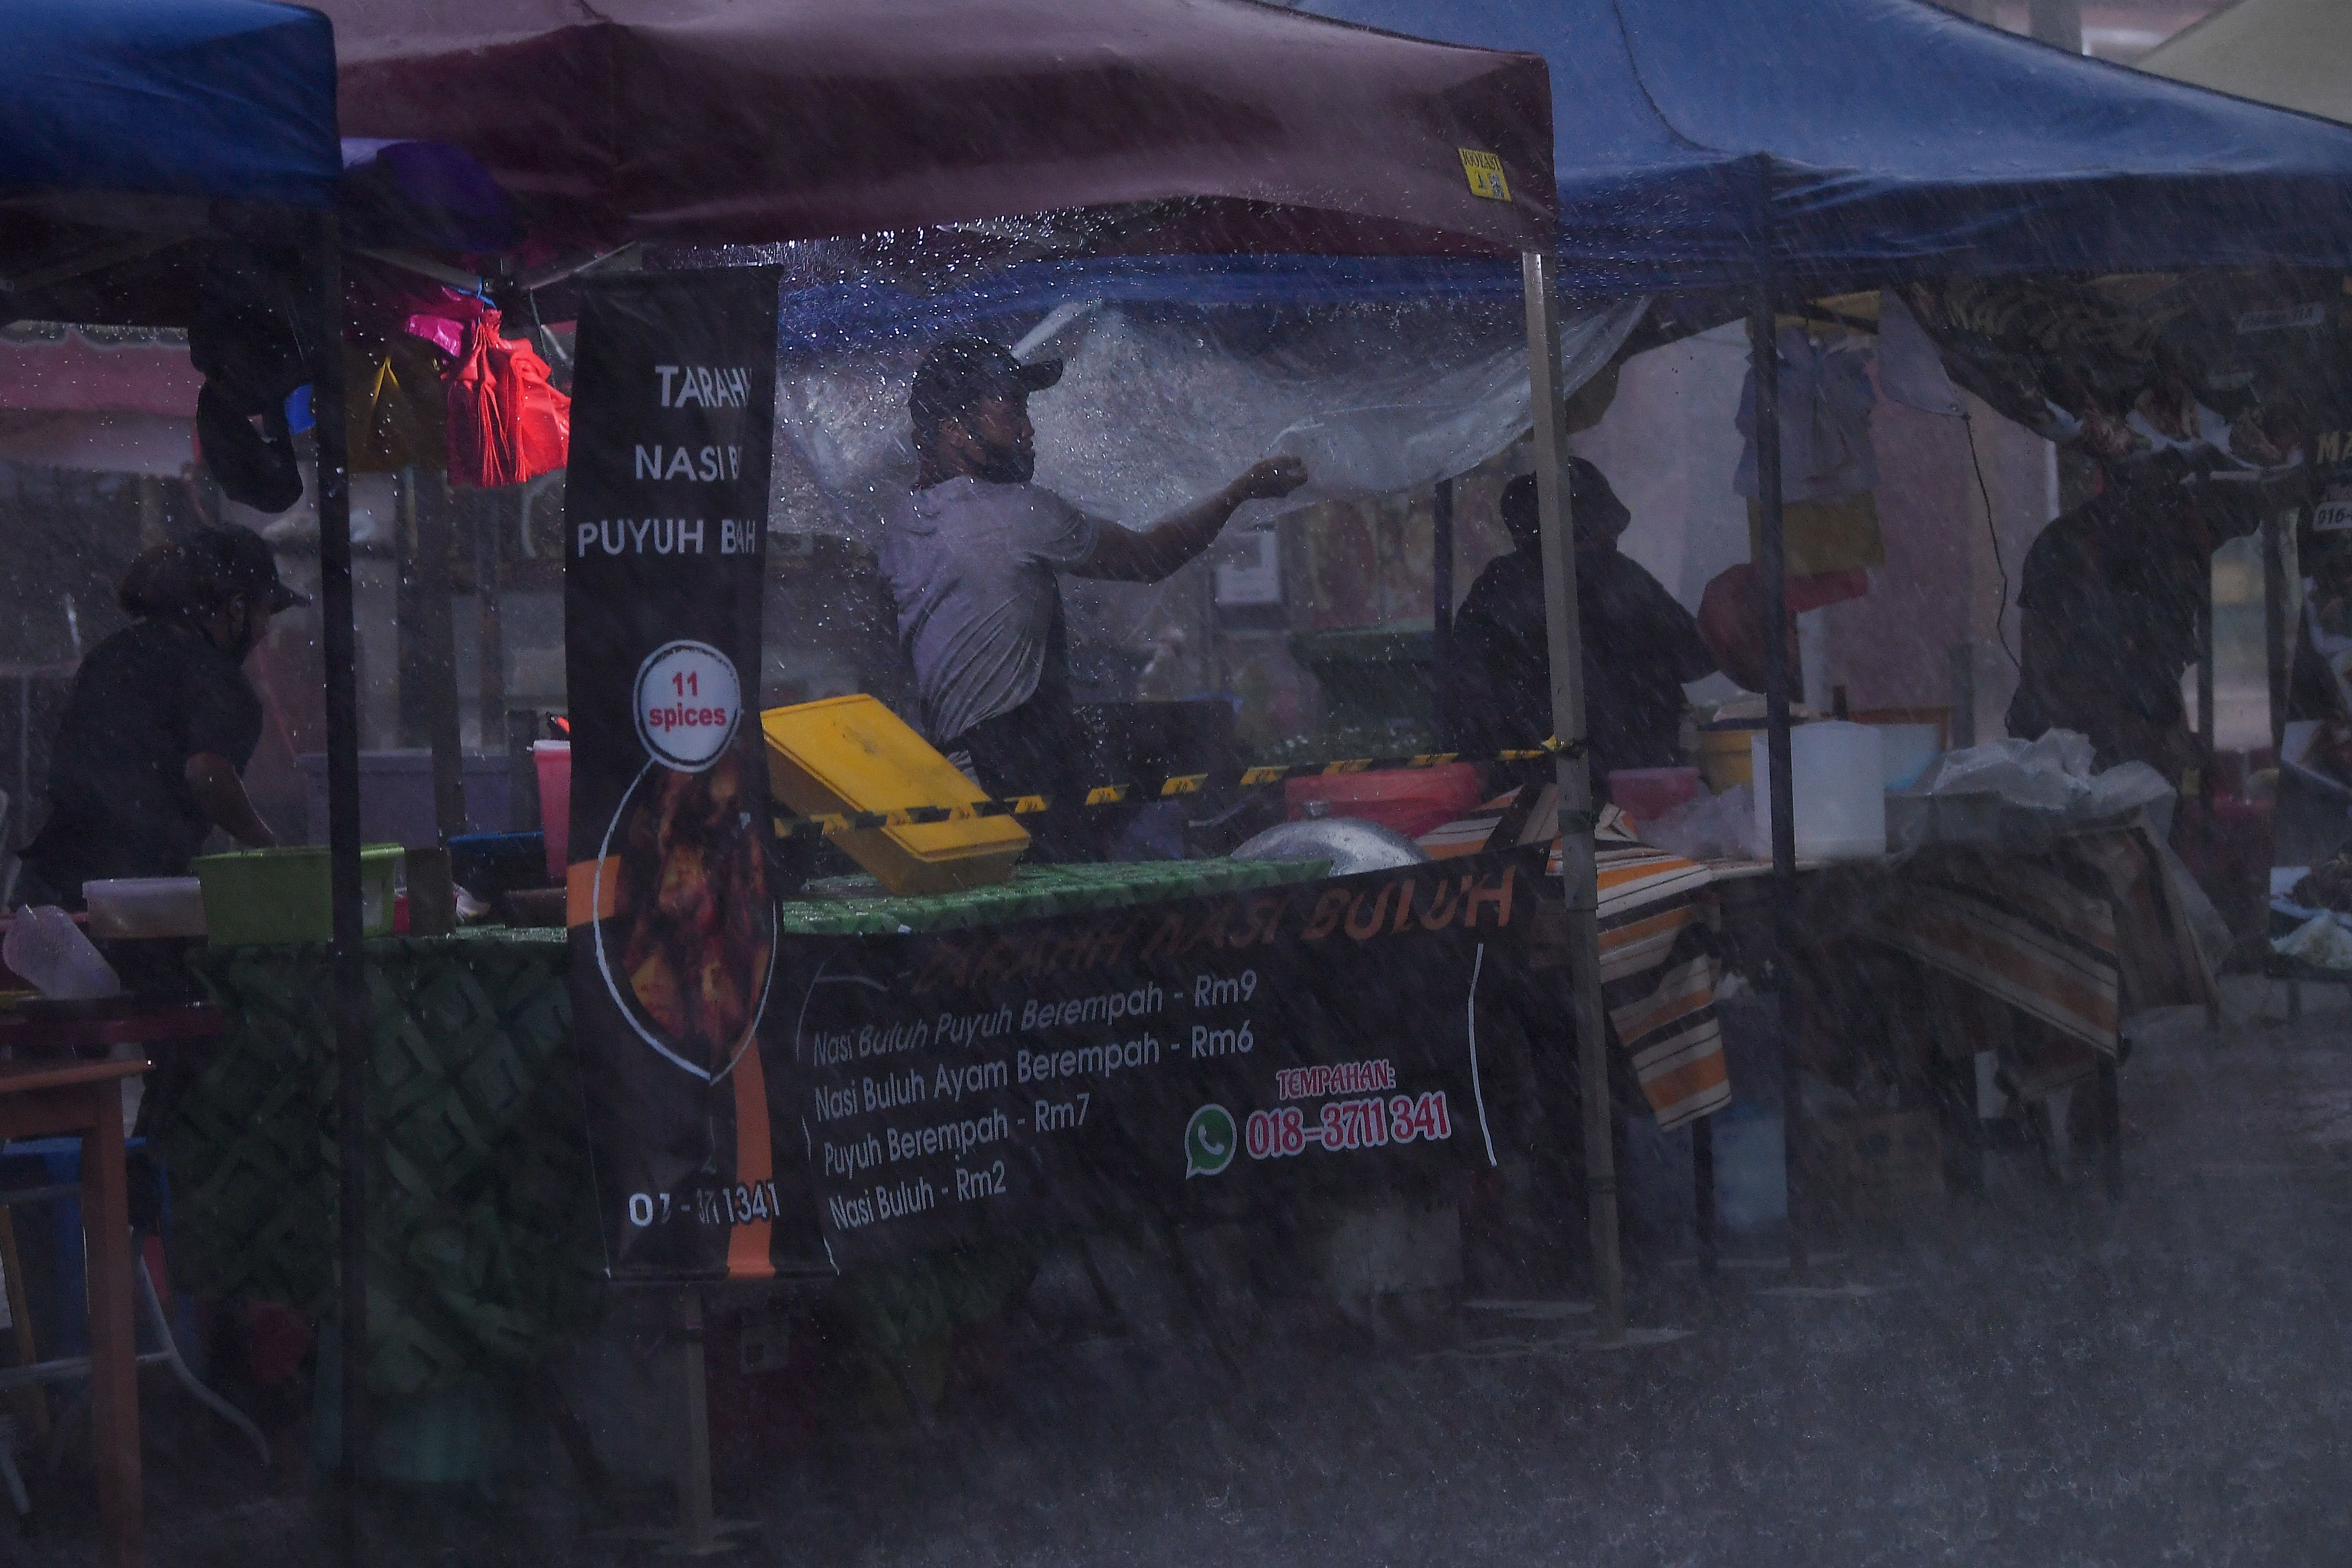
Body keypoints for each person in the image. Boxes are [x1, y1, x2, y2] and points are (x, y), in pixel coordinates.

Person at [879, 337, 1307, 856]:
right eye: (1010, 408)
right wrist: (1241, 491)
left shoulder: (902, 520)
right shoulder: (1016, 513)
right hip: (1013, 785)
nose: (1028, 428)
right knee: (1203, 734)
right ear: (953, 431)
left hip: (948, 781)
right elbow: (1152, 557)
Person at [18, 526, 305, 908]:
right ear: (236, 608)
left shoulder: (110, 654)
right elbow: (207, 773)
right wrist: (271, 848)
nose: (265, 631)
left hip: (48, 891)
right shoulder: (220, 684)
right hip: (131, 900)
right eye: (265, 612)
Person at [1442, 462, 1721, 796]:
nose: (1611, 545)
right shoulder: (1610, 581)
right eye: (1602, 536)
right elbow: (1696, 656)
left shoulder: (1500, 590)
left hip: (1571, 789)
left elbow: (1694, 655)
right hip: (1580, 787)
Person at [2007, 476, 2255, 788]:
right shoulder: (2085, 549)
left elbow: (2164, 664)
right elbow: (2050, 682)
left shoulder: (2166, 557)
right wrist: (2156, 738)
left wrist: (2171, 736)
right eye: (2207, 540)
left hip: (2116, 757)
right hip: (2074, 766)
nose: (2204, 559)